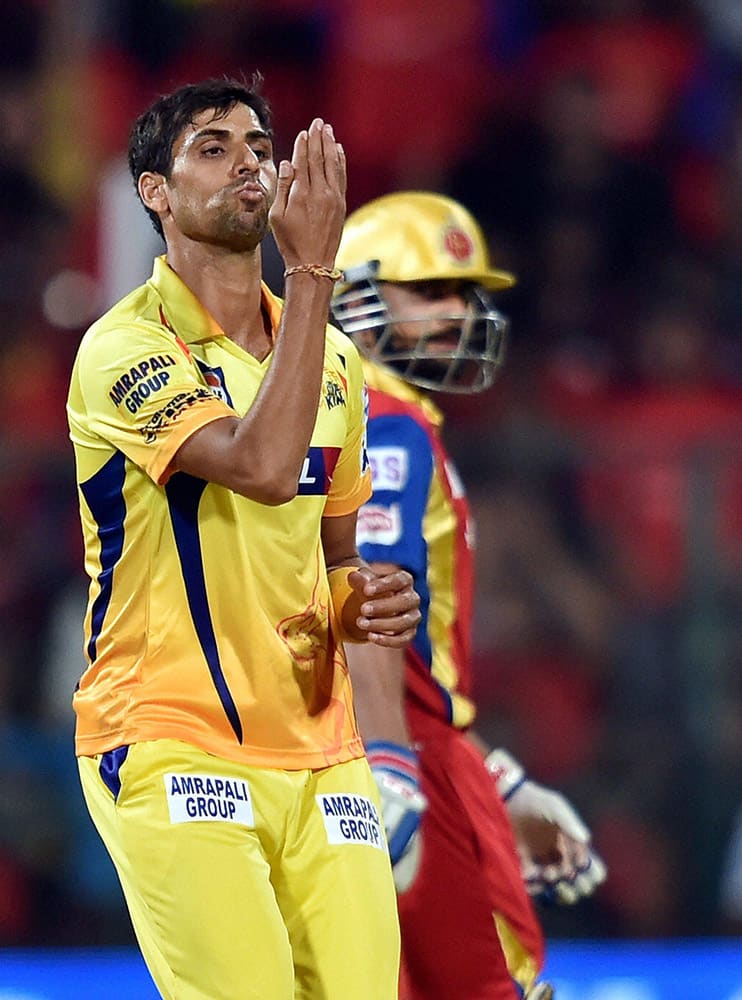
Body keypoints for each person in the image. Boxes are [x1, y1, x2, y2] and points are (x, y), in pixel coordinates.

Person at [66, 77, 421, 1000]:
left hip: (322, 754)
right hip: (171, 739)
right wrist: (312, 273)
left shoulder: (334, 361)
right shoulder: (123, 347)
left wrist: (365, 598)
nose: (249, 163)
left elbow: (333, 553)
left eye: (258, 146)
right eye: (214, 148)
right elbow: (263, 467)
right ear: (155, 192)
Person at [331, 191, 607, 1000]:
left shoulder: (335, 419)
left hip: (360, 751)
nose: (461, 312)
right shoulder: (386, 424)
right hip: (408, 756)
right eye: (433, 291)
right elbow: (371, 610)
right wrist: (397, 764)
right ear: (357, 298)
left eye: (464, 292)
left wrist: (506, 785)